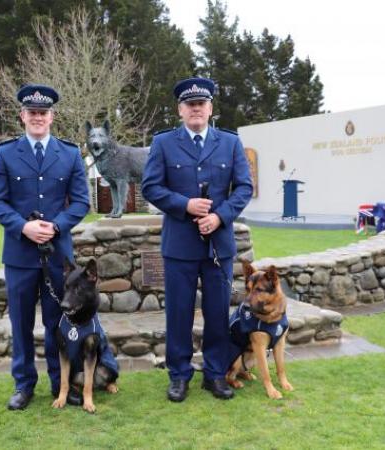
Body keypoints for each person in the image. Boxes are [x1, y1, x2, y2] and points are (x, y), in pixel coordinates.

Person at [142, 77, 253, 402]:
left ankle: (215, 374)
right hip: (180, 244)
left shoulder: (230, 143)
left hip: (218, 244)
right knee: (178, 313)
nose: (196, 109)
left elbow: (244, 187)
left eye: (201, 104)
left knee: (218, 312)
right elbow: (151, 187)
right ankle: (179, 375)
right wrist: (185, 205)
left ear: (210, 108)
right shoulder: (163, 143)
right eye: (190, 105)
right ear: (180, 110)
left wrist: (220, 216)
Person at [0, 83, 90, 410]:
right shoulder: (5, 153)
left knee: (57, 324)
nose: (37, 117)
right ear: (22, 116)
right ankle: (23, 385)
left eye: (43, 113)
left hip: (59, 258)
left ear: (51, 117)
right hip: (19, 255)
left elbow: (81, 203)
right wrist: (24, 227)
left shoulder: (70, 153)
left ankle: (61, 385)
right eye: (32, 112)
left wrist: (56, 226)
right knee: (20, 324)